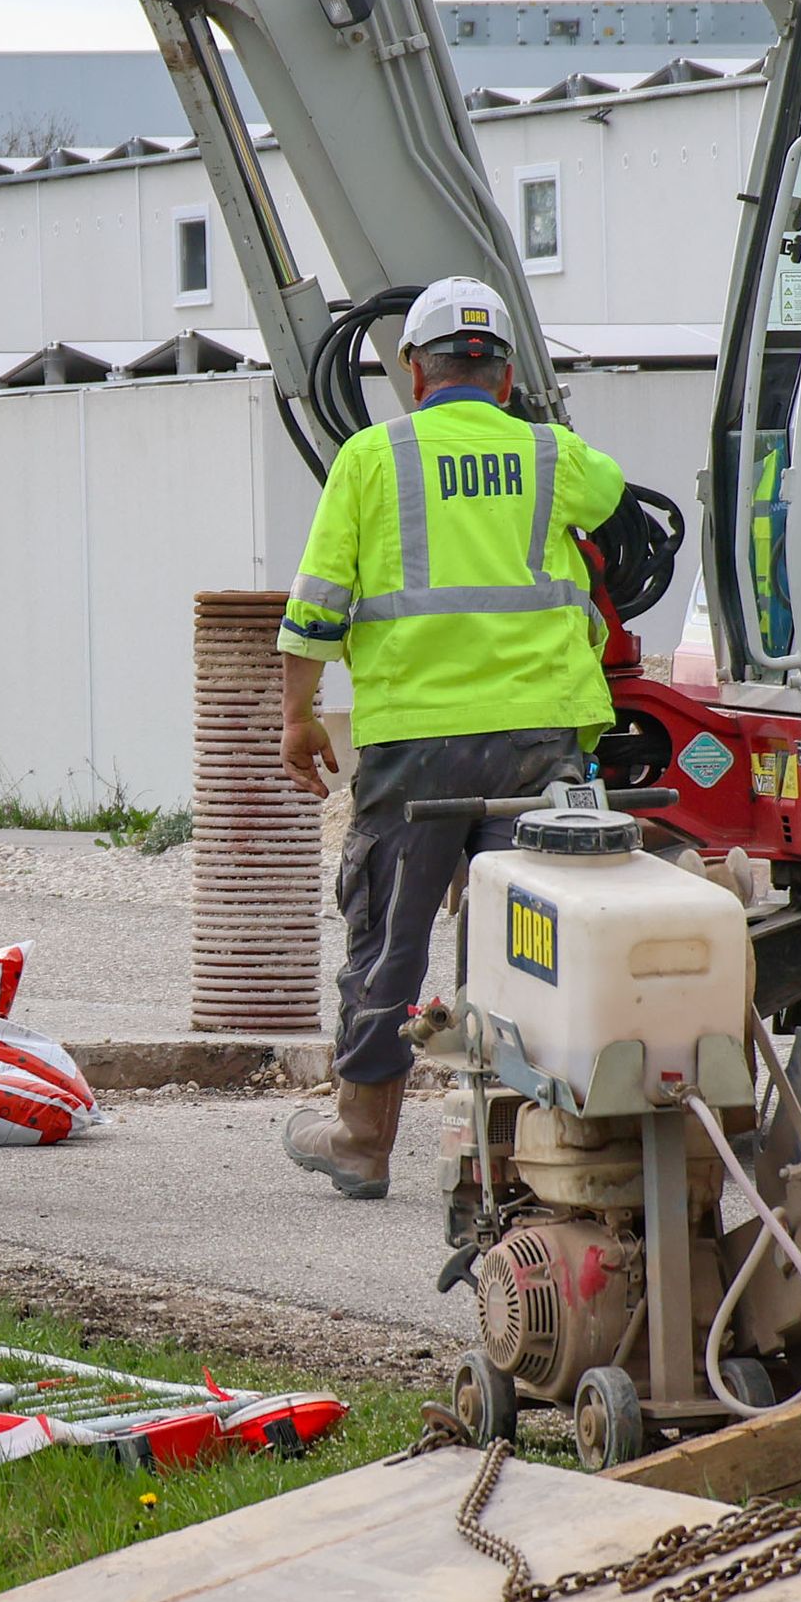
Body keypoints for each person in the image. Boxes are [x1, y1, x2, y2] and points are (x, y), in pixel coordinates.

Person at [272, 278, 628, 1199]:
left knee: (390, 938)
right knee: (531, 947)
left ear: (411, 372)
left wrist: (298, 715)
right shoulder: (553, 456)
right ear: (507, 377)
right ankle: (512, 1158)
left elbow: (318, 603)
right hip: (539, 741)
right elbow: (615, 494)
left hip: (415, 744)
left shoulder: (370, 456)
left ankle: (361, 1139)